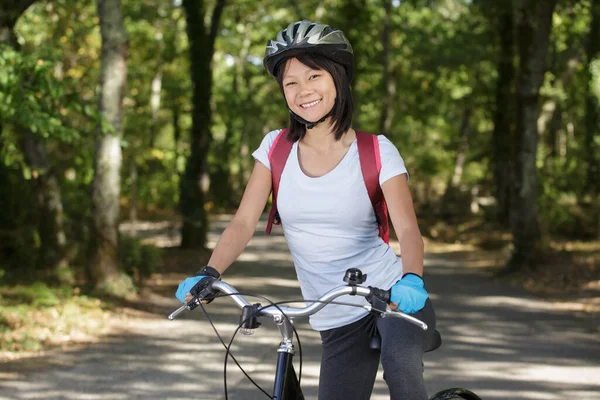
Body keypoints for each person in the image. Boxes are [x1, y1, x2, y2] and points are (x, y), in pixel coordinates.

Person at [176, 20, 436, 400]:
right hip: (334, 316)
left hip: (391, 298)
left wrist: (411, 278)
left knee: (400, 364)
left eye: (314, 75)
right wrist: (210, 271)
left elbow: (409, 231)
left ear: (338, 79)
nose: (303, 90)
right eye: (291, 82)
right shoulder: (275, 148)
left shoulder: (376, 150)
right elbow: (244, 221)